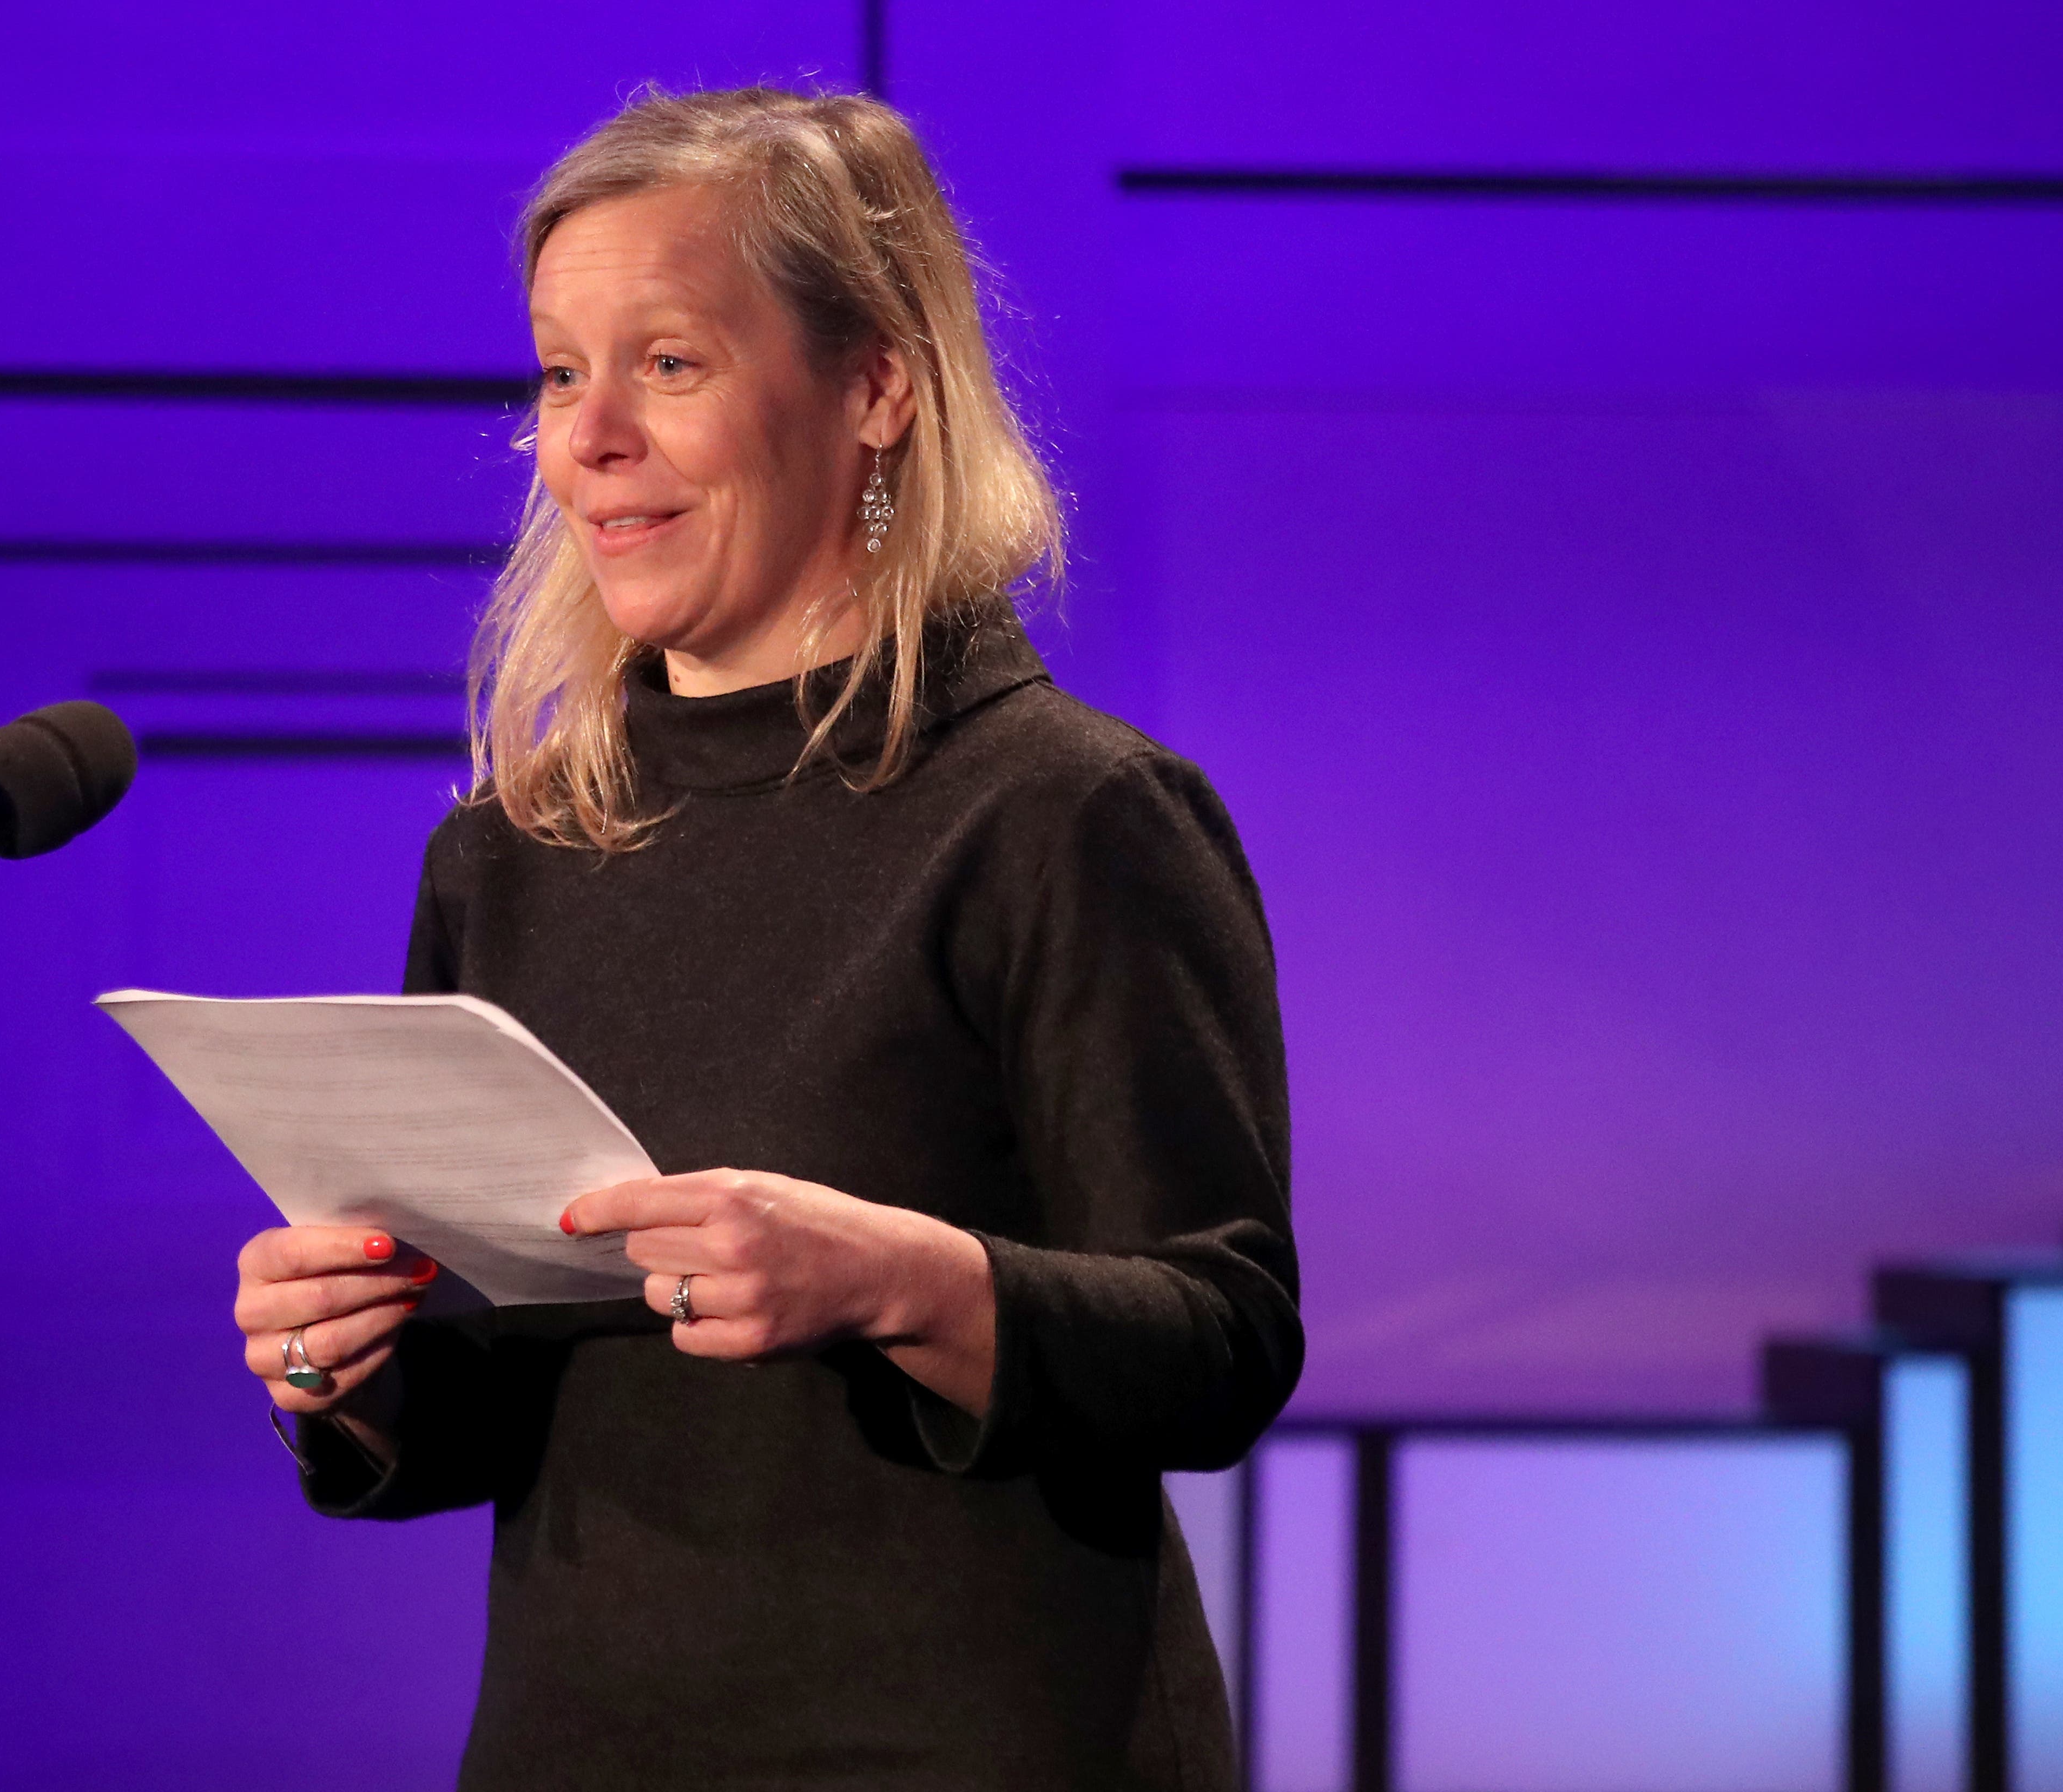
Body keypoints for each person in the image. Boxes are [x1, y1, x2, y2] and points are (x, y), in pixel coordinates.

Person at [230, 87, 1300, 1790]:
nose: (586, 438)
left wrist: (895, 1277)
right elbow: (479, 1411)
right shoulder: (506, 854)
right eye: (559, 372)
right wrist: (336, 1364)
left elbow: (1221, 1343)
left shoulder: (1059, 811)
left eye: (667, 363)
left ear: (874, 386)